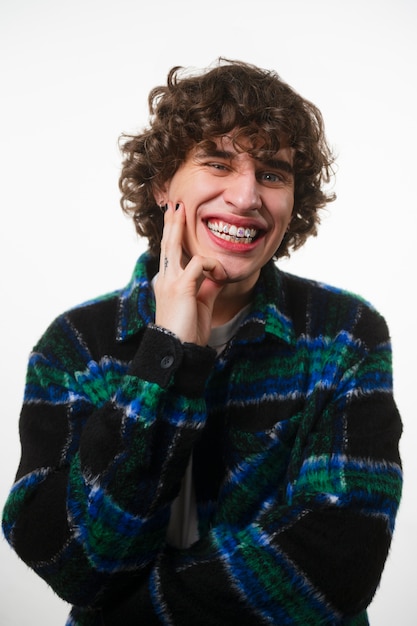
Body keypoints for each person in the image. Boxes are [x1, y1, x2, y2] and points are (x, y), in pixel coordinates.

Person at [2, 59, 402, 626]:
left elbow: (340, 559)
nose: (245, 197)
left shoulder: (346, 334)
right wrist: (165, 354)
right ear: (164, 185)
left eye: (272, 174)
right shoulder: (75, 345)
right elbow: (75, 562)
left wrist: (129, 617)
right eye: (217, 163)